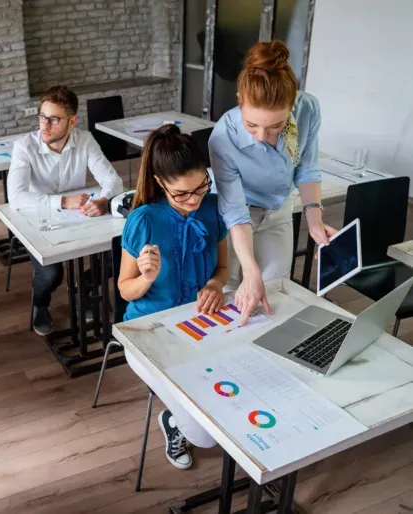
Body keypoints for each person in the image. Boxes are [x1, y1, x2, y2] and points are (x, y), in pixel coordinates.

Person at [118, 124, 228, 470]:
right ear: (161, 182)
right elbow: (124, 289)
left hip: (200, 321)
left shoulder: (212, 209)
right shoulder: (143, 220)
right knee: (205, 436)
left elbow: (222, 268)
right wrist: (146, 277)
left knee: (233, 387)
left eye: (201, 187)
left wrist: (215, 285)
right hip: (148, 329)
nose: (194, 200)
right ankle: (174, 420)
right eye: (182, 194)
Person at [209, 41, 335, 325]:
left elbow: (306, 166)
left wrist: (314, 219)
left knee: (275, 298)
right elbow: (234, 210)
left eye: (275, 126)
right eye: (252, 125)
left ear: (292, 106)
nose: (261, 135)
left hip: (278, 210)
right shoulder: (222, 137)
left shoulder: (308, 109)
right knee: (232, 298)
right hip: (235, 218)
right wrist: (251, 272)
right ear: (240, 98)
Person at [7, 85, 124, 336]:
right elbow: (15, 197)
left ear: (72, 122)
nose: (45, 126)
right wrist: (61, 202)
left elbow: (113, 181)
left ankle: (84, 292)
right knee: (51, 272)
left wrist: (104, 200)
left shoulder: (85, 139)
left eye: (53, 119)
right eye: (42, 117)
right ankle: (40, 305)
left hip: (79, 220)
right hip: (37, 220)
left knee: (114, 256)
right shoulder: (24, 146)